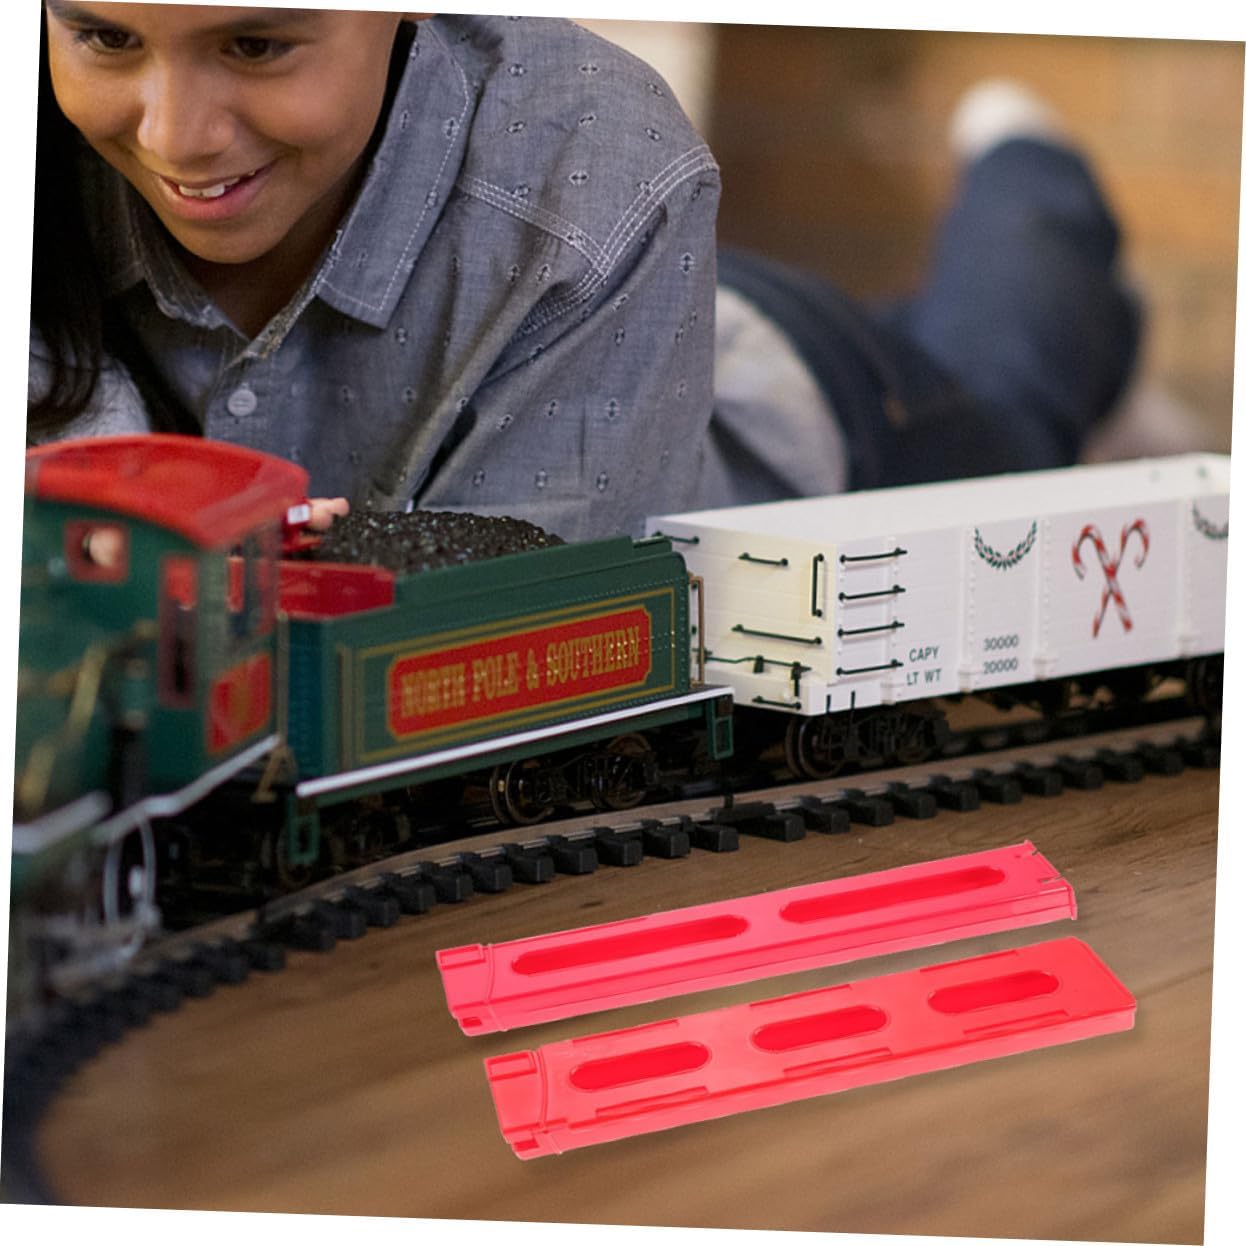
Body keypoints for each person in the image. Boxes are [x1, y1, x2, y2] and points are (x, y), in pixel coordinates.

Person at [29, 6, 1140, 542]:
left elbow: (527, 628)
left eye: (256, 45)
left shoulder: (602, 174)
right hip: (576, 292)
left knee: (1015, 398)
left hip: (797, 396)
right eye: (105, 39)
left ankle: (1032, 173)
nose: (174, 139)